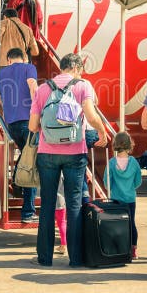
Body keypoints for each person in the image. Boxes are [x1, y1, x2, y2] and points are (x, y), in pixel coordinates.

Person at [28, 53, 108, 267]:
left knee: (47, 204)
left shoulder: (44, 89)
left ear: (61, 68)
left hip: (48, 154)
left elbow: (32, 126)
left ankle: (44, 258)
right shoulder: (83, 86)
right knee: (74, 205)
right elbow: (91, 116)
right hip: (74, 153)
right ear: (77, 68)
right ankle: (76, 258)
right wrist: (101, 131)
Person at [0, 48, 38, 223]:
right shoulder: (28, 67)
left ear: (8, 60)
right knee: (30, 165)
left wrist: (3, 104)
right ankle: (28, 212)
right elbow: (33, 86)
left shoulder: (1, 72)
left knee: (25, 159)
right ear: (23, 58)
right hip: (28, 122)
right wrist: (36, 110)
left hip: (12, 125)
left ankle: (17, 183)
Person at [103, 132, 142, 259]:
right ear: (130, 144)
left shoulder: (112, 162)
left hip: (116, 199)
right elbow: (138, 182)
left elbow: (106, 182)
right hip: (130, 199)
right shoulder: (134, 162)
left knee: (117, 224)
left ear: (115, 145)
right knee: (131, 223)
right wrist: (130, 188)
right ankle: (133, 249)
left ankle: (118, 248)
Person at [54, 176, 67, 255]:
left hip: (55, 199)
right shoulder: (64, 173)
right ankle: (63, 244)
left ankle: (63, 245)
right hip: (62, 200)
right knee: (62, 222)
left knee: (59, 223)